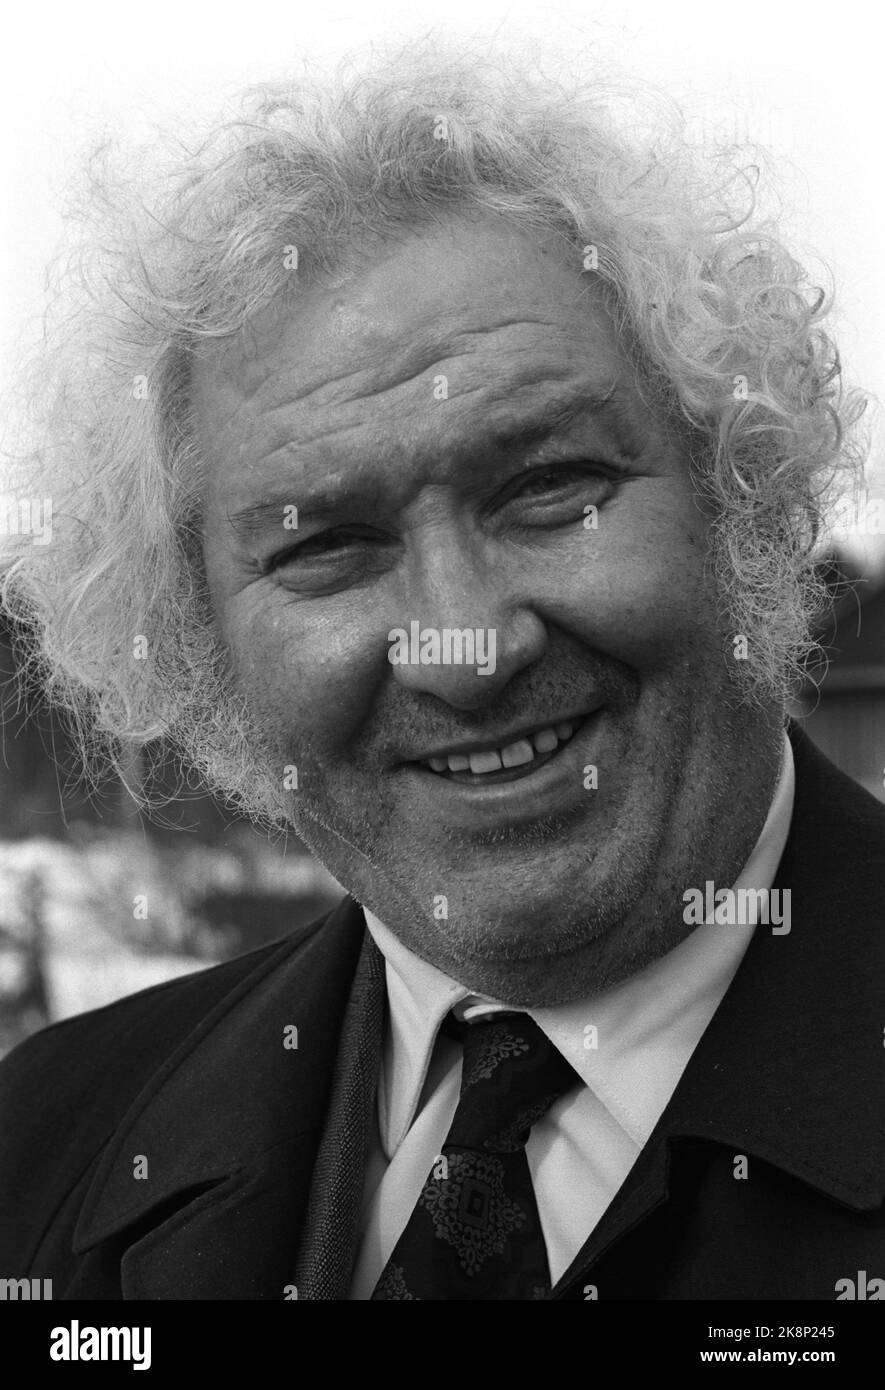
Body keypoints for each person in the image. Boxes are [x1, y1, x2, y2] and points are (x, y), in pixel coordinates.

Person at [0, 41, 882, 1301]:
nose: (464, 646)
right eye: (329, 546)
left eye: (550, 488)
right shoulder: (45, 1147)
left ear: (740, 493)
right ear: (198, 634)